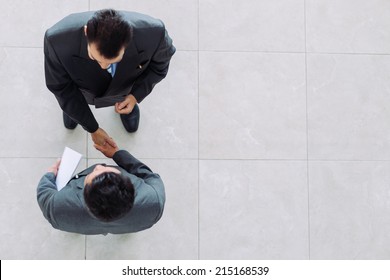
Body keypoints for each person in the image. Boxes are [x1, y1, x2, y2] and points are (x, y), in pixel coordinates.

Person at [44, 9, 176, 147]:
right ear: (86, 31)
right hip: (81, 89)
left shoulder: (155, 33)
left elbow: (159, 67)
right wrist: (91, 127)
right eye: (96, 58)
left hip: (125, 87)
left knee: (124, 96)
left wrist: (135, 96)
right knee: (72, 105)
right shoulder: (56, 40)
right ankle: (76, 112)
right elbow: (61, 87)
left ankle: (126, 106)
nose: (103, 66)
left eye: (113, 61)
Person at [37, 143, 165, 235]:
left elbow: (44, 189)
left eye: (95, 173)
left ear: (84, 194)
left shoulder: (56, 207)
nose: (98, 167)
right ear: (130, 186)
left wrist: (51, 174)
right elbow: (148, 175)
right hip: (126, 227)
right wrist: (117, 154)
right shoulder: (155, 200)